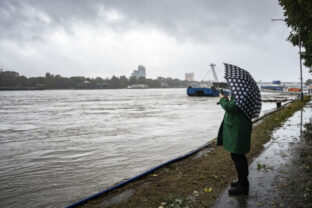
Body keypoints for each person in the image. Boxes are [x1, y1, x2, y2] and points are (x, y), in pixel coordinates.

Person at [217, 92, 252, 195]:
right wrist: (227, 99)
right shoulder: (240, 93)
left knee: (237, 156)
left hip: (239, 129)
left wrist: (222, 99)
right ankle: (243, 182)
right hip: (239, 128)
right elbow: (234, 106)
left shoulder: (241, 94)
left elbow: (231, 108)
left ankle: (243, 187)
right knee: (238, 155)